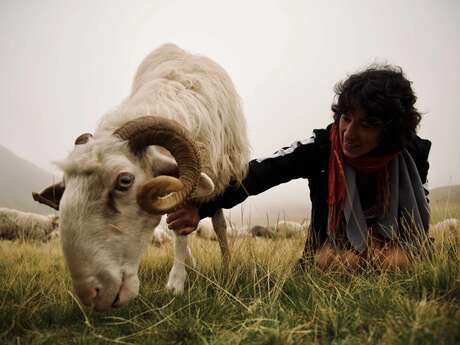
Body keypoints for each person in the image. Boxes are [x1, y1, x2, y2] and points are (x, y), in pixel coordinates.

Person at [166, 65, 431, 271]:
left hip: (389, 244)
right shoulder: (321, 147)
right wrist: (201, 208)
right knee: (341, 263)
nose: (349, 133)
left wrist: (383, 243)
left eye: (367, 124)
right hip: (332, 247)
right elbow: (259, 174)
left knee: (395, 262)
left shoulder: (412, 153)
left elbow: (420, 209)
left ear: (390, 130)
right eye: (346, 118)